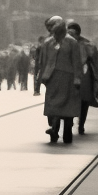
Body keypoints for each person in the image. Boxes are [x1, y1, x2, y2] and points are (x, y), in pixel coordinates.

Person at [35, 16, 84, 144]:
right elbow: (43, 62)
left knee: (68, 107)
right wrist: (41, 80)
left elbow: (77, 62)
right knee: (53, 106)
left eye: (58, 31)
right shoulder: (48, 43)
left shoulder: (72, 42)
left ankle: (67, 132)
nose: (55, 34)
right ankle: (54, 130)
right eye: (53, 32)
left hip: (68, 79)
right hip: (52, 78)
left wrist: (77, 78)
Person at [67, 21, 98, 135]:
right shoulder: (64, 43)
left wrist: (97, 80)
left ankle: (81, 124)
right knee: (70, 100)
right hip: (69, 76)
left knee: (84, 101)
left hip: (85, 76)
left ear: (77, 33)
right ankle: (70, 121)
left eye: (71, 33)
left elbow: (97, 64)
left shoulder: (88, 45)